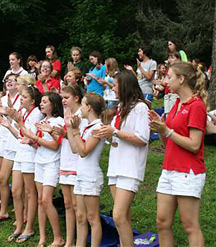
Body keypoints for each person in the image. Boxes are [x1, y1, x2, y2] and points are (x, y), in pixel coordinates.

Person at [149, 62, 207, 247]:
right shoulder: (175, 103)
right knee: (162, 222)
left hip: (188, 171)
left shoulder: (196, 105)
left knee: (190, 225)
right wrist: (160, 128)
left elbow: (194, 145)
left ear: (181, 79)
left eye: (169, 76)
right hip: (169, 169)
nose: (166, 80)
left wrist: (167, 131)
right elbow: (169, 141)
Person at [94, 71, 150, 247]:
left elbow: (142, 139)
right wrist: (107, 134)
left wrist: (115, 132)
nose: (113, 89)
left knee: (118, 215)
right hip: (116, 166)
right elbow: (117, 138)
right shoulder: (120, 108)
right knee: (122, 217)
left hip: (130, 168)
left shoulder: (141, 108)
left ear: (125, 86)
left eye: (115, 85)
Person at [21, 92, 65, 247]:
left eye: (45, 101)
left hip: (51, 163)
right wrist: (31, 140)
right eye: (41, 101)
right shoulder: (43, 120)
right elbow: (40, 143)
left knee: (46, 200)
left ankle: (58, 238)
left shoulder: (59, 121)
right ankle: (42, 237)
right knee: (40, 200)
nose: (41, 104)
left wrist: (35, 138)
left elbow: (55, 145)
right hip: (39, 161)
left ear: (53, 104)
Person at [0, 85, 42, 243]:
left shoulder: (37, 113)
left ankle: (29, 227)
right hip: (20, 153)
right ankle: (19, 224)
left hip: (30, 155)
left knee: (30, 193)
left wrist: (17, 122)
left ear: (32, 100)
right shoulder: (24, 112)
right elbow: (20, 136)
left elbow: (30, 136)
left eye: (24, 97)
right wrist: (9, 125)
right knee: (16, 191)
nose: (21, 99)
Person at [66, 93, 106, 247]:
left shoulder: (98, 127)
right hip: (81, 174)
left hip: (91, 176)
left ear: (89, 107)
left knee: (92, 217)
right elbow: (74, 148)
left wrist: (75, 130)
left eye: (82, 105)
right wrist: (70, 127)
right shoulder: (87, 126)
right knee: (80, 216)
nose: (80, 109)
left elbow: (84, 151)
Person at [0, 73, 21, 222]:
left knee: (18, 179)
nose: (9, 82)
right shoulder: (1, 98)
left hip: (17, 137)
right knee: (1, 175)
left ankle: (22, 208)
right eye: (7, 80)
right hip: (4, 136)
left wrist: (7, 109)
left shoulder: (21, 98)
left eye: (13, 81)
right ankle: (4, 209)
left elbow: (16, 116)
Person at [56, 85, 84, 247]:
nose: (63, 101)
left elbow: (79, 139)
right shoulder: (67, 114)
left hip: (77, 161)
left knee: (76, 205)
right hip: (65, 158)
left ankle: (79, 240)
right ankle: (69, 241)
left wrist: (66, 131)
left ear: (76, 98)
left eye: (66, 97)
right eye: (62, 98)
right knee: (67, 204)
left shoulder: (82, 114)